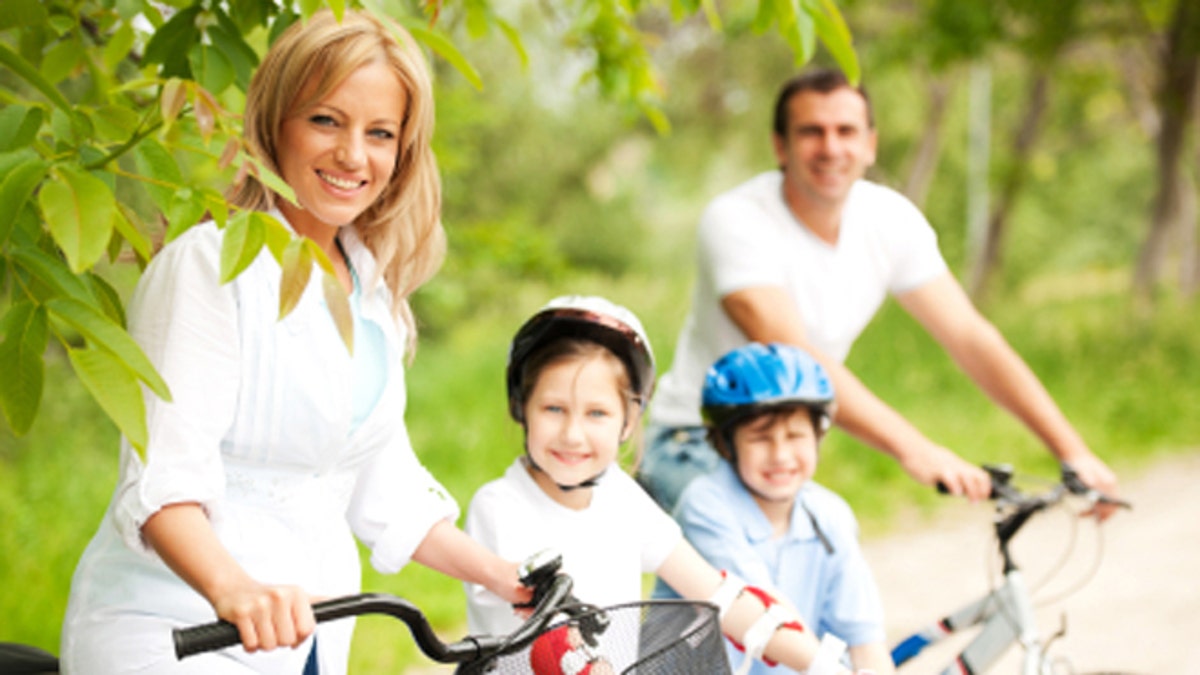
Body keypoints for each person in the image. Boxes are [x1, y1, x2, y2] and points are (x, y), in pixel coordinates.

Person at [60, 11, 528, 675]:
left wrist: (505, 578)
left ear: (402, 154)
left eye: (380, 133)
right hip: (174, 631)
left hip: (307, 636)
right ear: (274, 122)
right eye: (325, 120)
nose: (352, 155)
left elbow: (380, 484)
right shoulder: (211, 264)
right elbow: (164, 480)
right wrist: (235, 588)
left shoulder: (370, 288)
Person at [637, 67, 1120, 515]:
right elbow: (797, 356)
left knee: (826, 563)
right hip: (695, 438)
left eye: (846, 131)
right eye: (811, 132)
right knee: (755, 577)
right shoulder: (738, 220)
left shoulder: (890, 220)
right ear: (780, 146)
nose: (831, 147)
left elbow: (971, 338)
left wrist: (1071, 451)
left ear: (870, 144)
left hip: (784, 448)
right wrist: (918, 449)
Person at [465, 295, 871, 675]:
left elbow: (718, 595)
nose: (573, 434)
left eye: (597, 413)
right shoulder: (501, 507)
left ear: (629, 421)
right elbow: (552, 639)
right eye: (554, 409)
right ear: (522, 406)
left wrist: (821, 663)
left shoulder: (621, 498)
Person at [655, 342, 894, 674]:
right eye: (761, 438)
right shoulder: (706, 504)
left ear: (818, 437)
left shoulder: (829, 514)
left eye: (795, 436)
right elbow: (766, 618)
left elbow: (866, 640)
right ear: (725, 443)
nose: (781, 455)